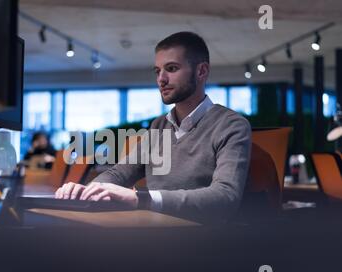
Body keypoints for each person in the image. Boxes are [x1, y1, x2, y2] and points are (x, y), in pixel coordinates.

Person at [55, 32, 252, 222]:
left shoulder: (231, 125)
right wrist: (87, 190)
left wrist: (141, 199)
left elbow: (226, 197)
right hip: (152, 230)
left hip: (199, 239)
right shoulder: (159, 126)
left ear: (201, 71)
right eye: (158, 71)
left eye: (172, 69)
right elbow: (119, 173)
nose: (161, 79)